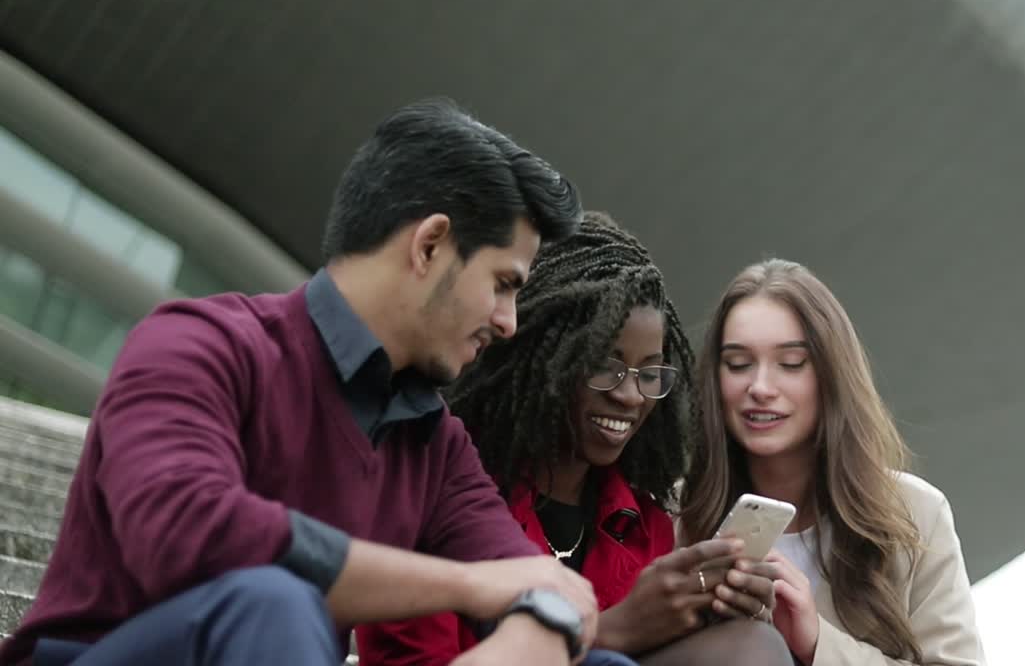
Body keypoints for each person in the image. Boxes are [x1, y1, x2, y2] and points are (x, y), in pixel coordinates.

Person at [0, 98, 623, 666]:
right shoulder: (198, 345)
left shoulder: (435, 443)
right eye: (504, 284)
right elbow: (186, 532)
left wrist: (538, 620)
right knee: (274, 601)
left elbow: (539, 586)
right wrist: (467, 584)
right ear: (430, 245)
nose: (508, 322)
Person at [358, 213, 791, 666]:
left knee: (752, 643)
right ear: (537, 357)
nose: (630, 395)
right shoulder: (437, 494)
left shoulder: (645, 524)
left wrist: (710, 623)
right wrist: (613, 630)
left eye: (649, 374)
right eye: (604, 366)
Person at [679, 259, 986, 666]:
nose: (760, 387)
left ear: (832, 374)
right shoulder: (672, 513)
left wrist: (817, 642)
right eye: (738, 364)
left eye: (791, 363)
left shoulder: (916, 515)